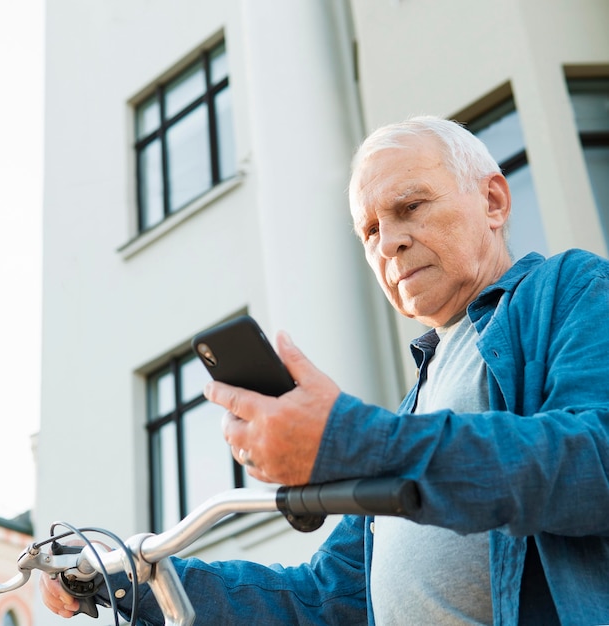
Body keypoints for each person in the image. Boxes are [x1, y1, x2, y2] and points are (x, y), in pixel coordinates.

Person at [41, 116, 609, 625]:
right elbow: (319, 600)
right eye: (369, 230)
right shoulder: (415, 407)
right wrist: (130, 580)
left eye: (410, 207)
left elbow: (594, 462)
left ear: (492, 201)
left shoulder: (570, 290)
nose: (390, 242)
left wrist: (348, 441)